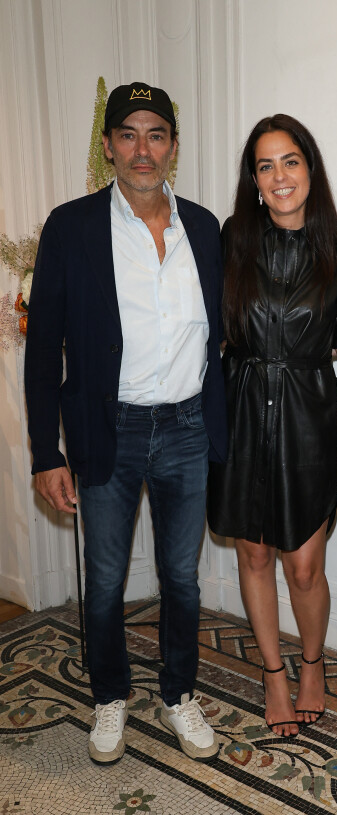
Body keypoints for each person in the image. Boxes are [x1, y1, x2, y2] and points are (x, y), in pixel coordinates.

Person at [24, 82, 227, 765]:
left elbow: (225, 333)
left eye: (157, 134)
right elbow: (42, 344)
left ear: (173, 145)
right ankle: (110, 694)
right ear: (108, 146)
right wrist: (43, 452)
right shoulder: (72, 226)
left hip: (188, 428)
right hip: (108, 428)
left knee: (182, 578)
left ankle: (178, 693)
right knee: (106, 577)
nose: (144, 149)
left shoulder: (203, 226)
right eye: (129, 134)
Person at [207, 114, 337, 738]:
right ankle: (273, 673)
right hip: (240, 406)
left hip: (305, 415)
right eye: (266, 165)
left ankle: (313, 663)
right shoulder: (230, 240)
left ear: (310, 168)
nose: (279, 176)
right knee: (253, 550)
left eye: (290, 161)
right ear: (254, 177)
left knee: (303, 565)